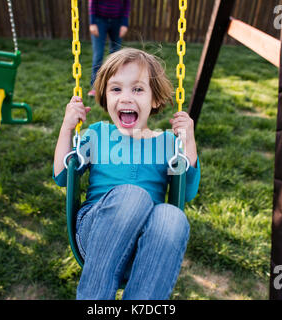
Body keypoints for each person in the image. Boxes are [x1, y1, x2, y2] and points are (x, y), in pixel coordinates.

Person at [53, 48, 200, 300]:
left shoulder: (167, 143)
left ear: (154, 99)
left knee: (171, 217)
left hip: (144, 249)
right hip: (96, 235)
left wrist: (188, 142)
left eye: (138, 89)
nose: (126, 98)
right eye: (116, 89)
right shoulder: (98, 134)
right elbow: (62, 176)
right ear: (105, 96)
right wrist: (67, 128)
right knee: (134, 196)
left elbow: (185, 193)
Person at [87, 0, 131, 96]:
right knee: (98, 55)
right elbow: (92, 3)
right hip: (99, 21)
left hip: (117, 21)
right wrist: (92, 22)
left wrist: (124, 24)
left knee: (116, 57)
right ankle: (95, 87)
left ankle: (114, 86)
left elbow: (127, 4)